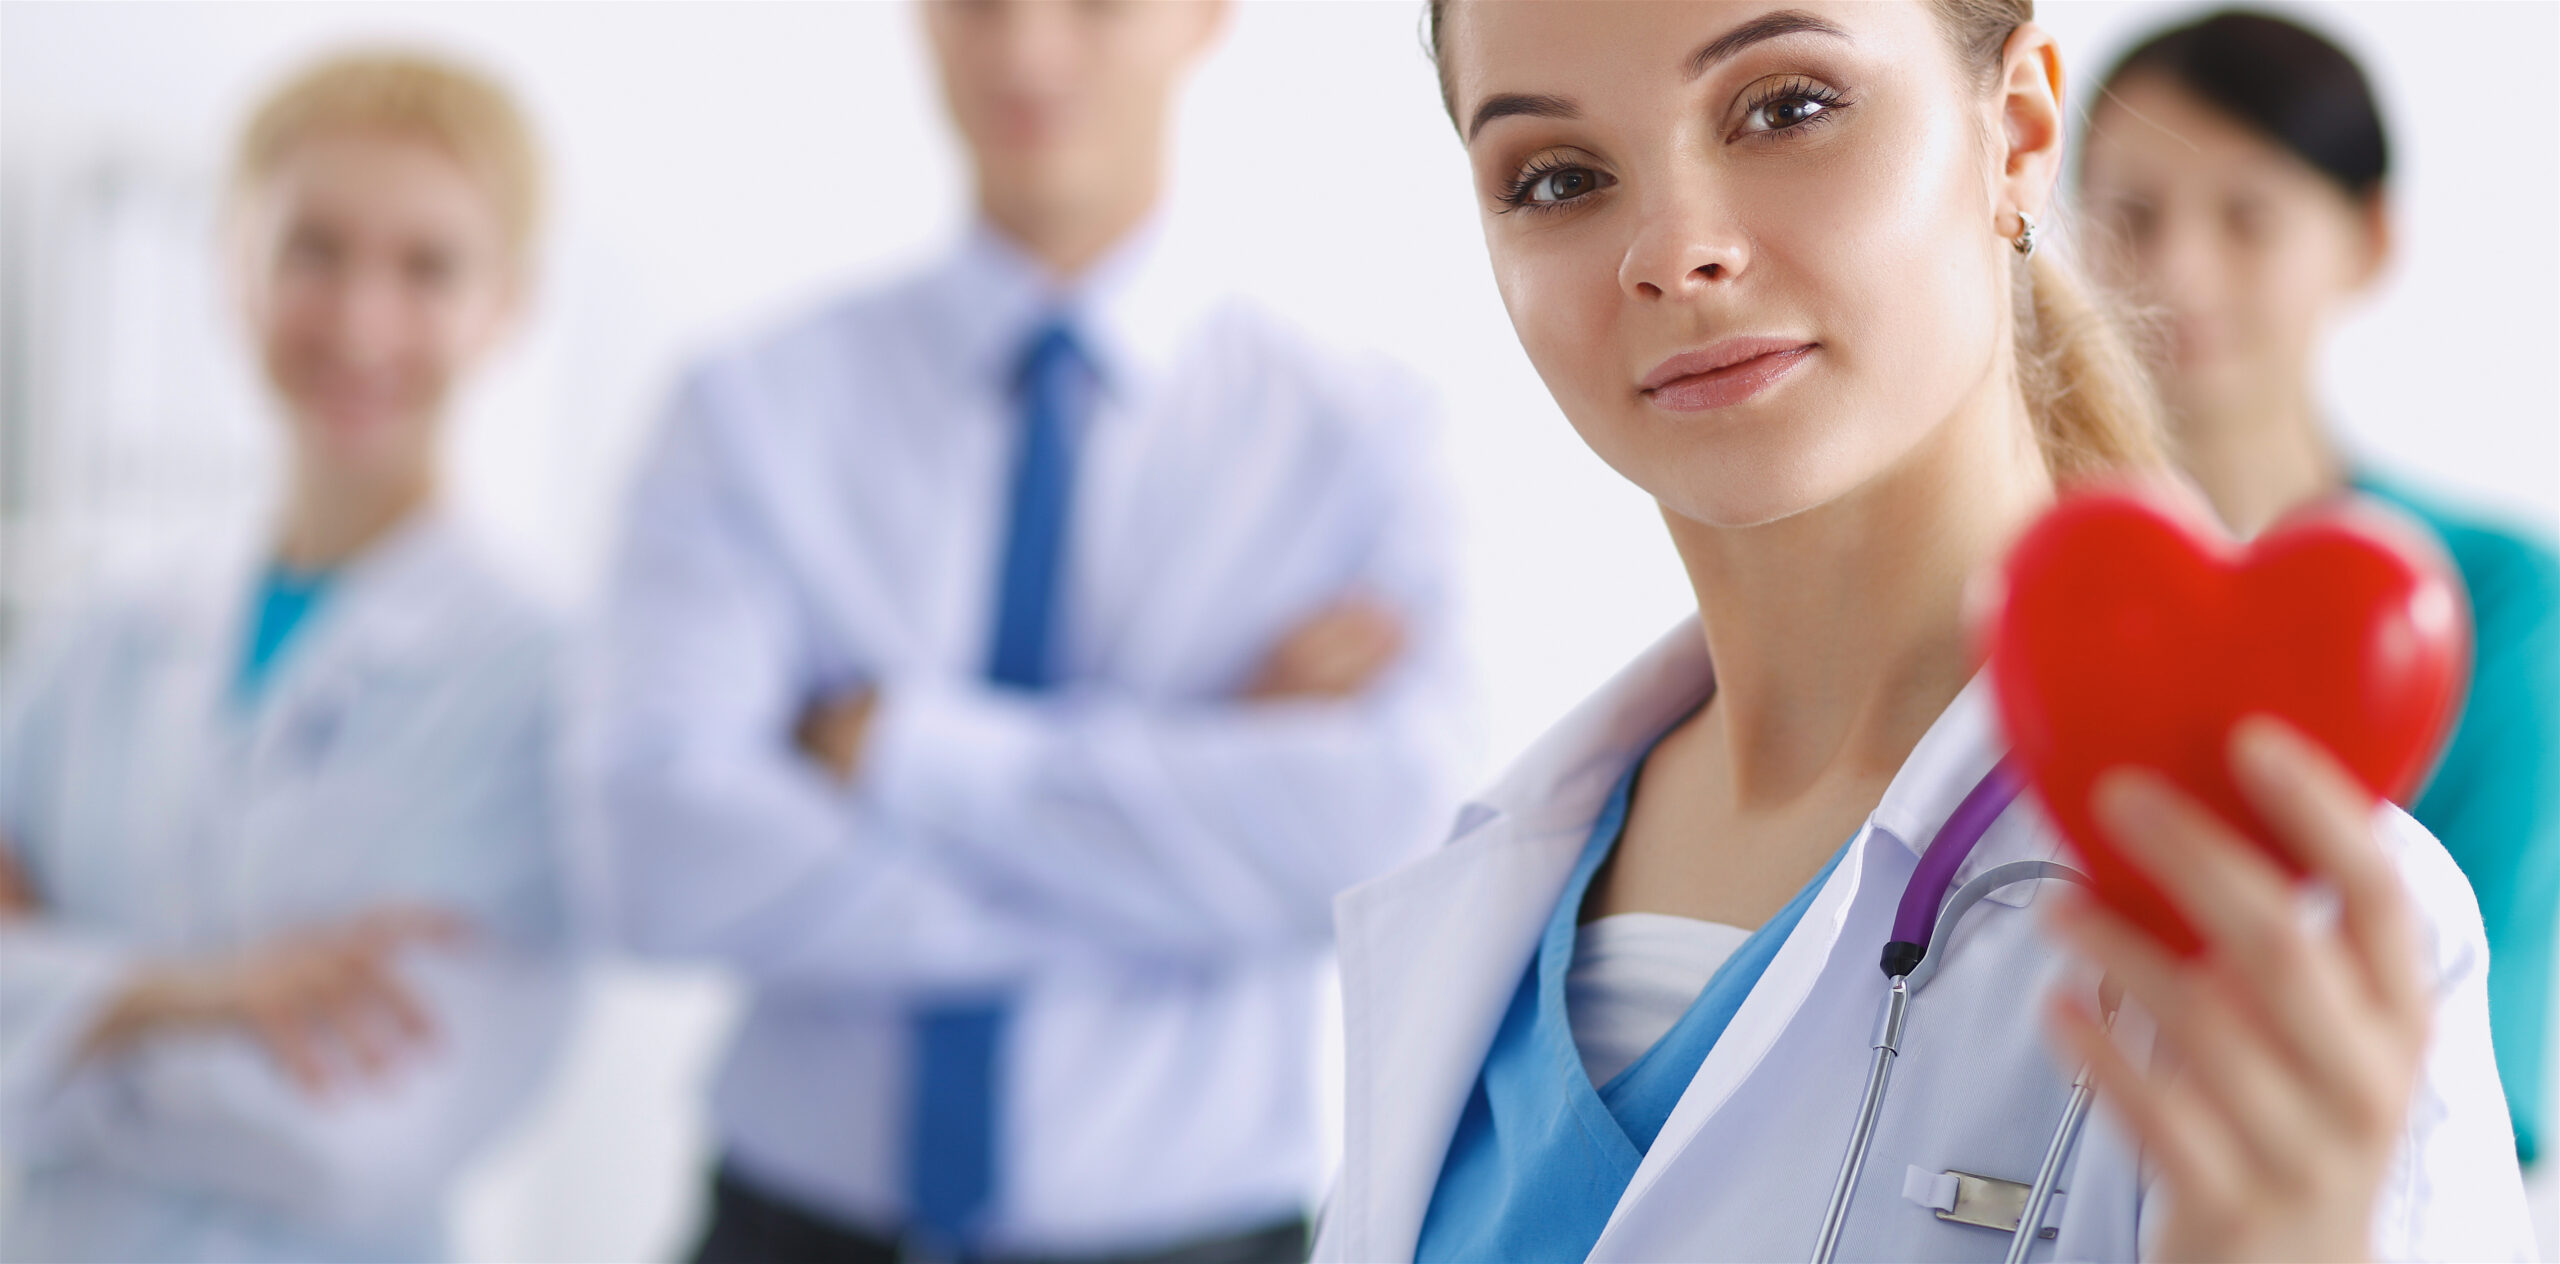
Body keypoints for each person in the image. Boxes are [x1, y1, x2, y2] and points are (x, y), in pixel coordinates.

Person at [1312, 2, 2535, 1260]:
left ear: (2012, 134)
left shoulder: (2290, 925)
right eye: (1556, 177)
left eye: (1785, 107)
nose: (1673, 250)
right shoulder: (1491, 897)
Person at [588, 2, 1468, 1261]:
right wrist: (1189, 819)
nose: (1026, 50)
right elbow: (655, 857)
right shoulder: (748, 408)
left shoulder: (1359, 434)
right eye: (979, 2)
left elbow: (1382, 839)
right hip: (788, 1228)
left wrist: (905, 755)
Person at [0, 52, 574, 1262]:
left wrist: (49, 1018)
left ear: (507, 302)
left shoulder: (543, 673)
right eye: (315, 249)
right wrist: (196, 996)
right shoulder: (101, 632)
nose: (362, 319)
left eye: (427, 267)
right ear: (233, 264)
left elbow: (363, 1136)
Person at [2078, 7, 2560, 1166]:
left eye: (2249, 216)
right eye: (2131, 216)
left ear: (2366, 238)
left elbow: (2475, 1049)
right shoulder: (2023, 583)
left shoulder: (2494, 596)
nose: (2179, 270)